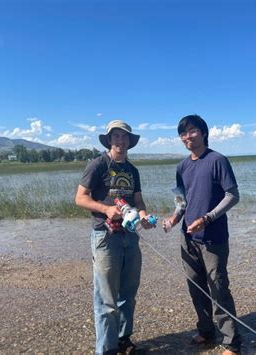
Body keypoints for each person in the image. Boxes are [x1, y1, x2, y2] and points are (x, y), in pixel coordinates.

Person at [163, 114, 242, 355]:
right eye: (183, 133)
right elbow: (182, 201)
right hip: (188, 239)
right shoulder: (182, 167)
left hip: (213, 238)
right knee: (196, 288)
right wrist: (174, 219)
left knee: (218, 288)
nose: (187, 137)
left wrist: (207, 218)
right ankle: (206, 330)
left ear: (203, 133)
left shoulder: (217, 160)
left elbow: (233, 195)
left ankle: (232, 342)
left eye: (192, 131)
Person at [75, 120, 154, 355]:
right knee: (106, 300)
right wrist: (106, 209)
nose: (120, 141)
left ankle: (123, 339)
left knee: (128, 294)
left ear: (130, 142)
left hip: (130, 236)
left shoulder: (132, 170)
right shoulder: (97, 164)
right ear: (109, 140)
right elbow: (80, 198)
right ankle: (106, 350)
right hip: (105, 237)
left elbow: (138, 201)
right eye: (116, 136)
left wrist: (143, 217)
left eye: (124, 137)